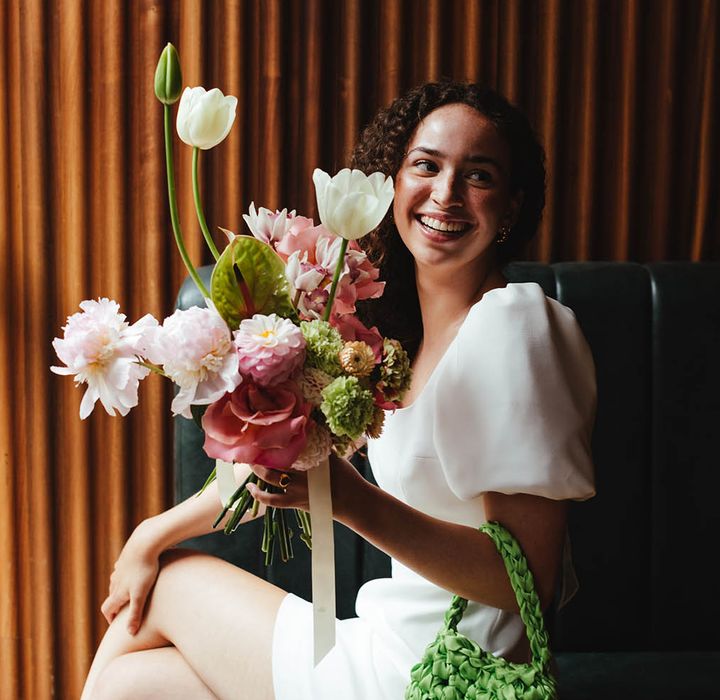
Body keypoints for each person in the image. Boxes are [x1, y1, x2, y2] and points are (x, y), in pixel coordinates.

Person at [81, 80, 596, 700]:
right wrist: (151, 531)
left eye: (478, 175)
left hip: (437, 675)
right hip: (381, 641)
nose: (446, 193)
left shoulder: (513, 323)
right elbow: (277, 465)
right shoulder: (394, 345)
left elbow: (530, 583)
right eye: (426, 165)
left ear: (511, 208)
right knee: (134, 685)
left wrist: (352, 503)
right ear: (392, 183)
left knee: (169, 586)